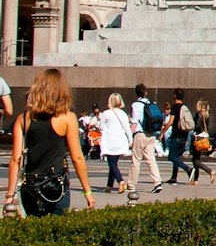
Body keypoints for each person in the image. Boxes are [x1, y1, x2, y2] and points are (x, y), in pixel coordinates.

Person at [4, 69, 95, 216]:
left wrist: (10, 195)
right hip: (56, 185)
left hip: (31, 186)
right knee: (56, 226)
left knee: (34, 226)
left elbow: (16, 159)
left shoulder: (24, 118)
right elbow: (77, 158)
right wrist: (87, 192)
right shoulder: (67, 117)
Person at [127, 82, 164, 194]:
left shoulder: (135, 105)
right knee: (151, 159)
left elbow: (134, 122)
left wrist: (129, 136)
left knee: (136, 160)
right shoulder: (151, 103)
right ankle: (157, 182)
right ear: (146, 93)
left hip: (140, 134)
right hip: (151, 134)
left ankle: (131, 184)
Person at [97, 92, 132, 193]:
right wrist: (130, 140)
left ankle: (120, 181)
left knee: (111, 163)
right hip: (120, 141)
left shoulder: (106, 113)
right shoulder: (123, 114)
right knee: (113, 163)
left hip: (110, 141)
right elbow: (127, 128)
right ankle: (109, 185)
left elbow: (101, 127)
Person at [163, 90, 195, 184]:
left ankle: (188, 169)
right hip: (184, 135)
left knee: (171, 156)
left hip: (176, 135)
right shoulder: (184, 107)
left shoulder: (175, 107)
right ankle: (174, 177)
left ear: (175, 96)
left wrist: (162, 132)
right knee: (176, 156)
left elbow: (171, 121)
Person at [190, 97, 216, 184]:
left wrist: (193, 128)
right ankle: (196, 179)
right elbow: (207, 127)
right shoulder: (206, 115)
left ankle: (210, 171)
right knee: (196, 158)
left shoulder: (199, 114)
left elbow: (197, 126)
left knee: (195, 160)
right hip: (203, 138)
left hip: (198, 138)